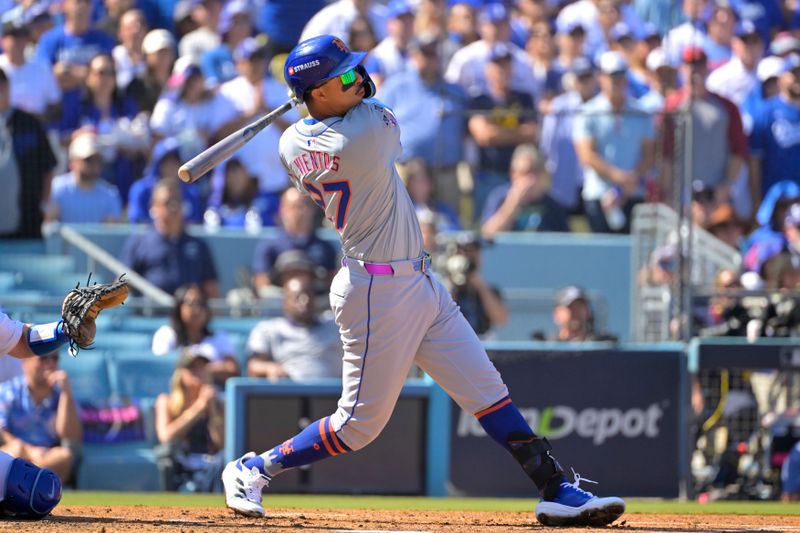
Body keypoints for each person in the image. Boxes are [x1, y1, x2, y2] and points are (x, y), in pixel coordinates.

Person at [221, 34, 625, 527]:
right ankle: (255, 468)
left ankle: (555, 487)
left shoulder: (290, 143)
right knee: (358, 427)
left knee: (486, 390)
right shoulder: (366, 133)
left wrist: (316, 95)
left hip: (417, 279)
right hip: (376, 289)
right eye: (344, 75)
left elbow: (318, 122)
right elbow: (376, 107)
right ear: (319, 94)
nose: (359, 79)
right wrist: (325, 94)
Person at [0, 281, 124, 518]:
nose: (49, 365)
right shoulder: (12, 389)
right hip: (18, 446)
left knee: (40, 490)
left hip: (41, 452)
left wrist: (66, 329)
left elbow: (23, 340)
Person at [573, 51, 655, 234]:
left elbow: (649, 154)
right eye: (612, 76)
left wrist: (628, 182)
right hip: (598, 195)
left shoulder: (641, 112)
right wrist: (619, 178)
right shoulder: (588, 111)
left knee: (633, 256)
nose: (616, 81)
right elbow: (586, 155)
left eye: (620, 76)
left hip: (633, 194)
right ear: (601, 78)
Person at [121, 178, 220, 298]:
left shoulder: (198, 245)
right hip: (150, 313)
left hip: (188, 314)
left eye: (177, 201)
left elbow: (211, 289)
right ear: (154, 207)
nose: (173, 207)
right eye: (167, 202)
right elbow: (121, 286)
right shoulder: (139, 244)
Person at [0, 351, 82, 484]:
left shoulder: (62, 396)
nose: (50, 364)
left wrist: (66, 393)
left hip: (46, 456)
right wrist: (28, 451)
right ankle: (32, 480)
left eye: (54, 358)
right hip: (16, 452)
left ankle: (22, 481)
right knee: (14, 451)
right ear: (25, 362)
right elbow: (1, 432)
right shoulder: (8, 391)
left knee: (64, 456)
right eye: (43, 358)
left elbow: (71, 436)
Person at [247, 272, 343, 381]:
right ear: (285, 302)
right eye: (297, 297)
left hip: (333, 395)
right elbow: (253, 366)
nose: (304, 301)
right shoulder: (269, 329)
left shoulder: (335, 325)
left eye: (309, 295)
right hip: (289, 395)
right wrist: (270, 368)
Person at [154, 348, 224, 492]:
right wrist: (197, 408)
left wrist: (212, 409)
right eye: (192, 368)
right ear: (180, 373)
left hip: (210, 466)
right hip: (181, 466)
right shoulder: (166, 401)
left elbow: (221, 443)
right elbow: (166, 437)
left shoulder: (218, 403)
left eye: (202, 368)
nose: (198, 372)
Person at [0, 66, 58, 239]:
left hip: (28, 222)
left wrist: (44, 204)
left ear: (8, 86)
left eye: (1, 84)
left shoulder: (30, 123)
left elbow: (47, 166)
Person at [251, 187, 338, 295]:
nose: (301, 212)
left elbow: (332, 284)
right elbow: (262, 285)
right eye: (295, 207)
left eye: (305, 205)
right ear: (283, 210)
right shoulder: (268, 247)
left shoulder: (326, 249)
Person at [151, 284, 239, 386]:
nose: (197, 309)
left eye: (201, 304)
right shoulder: (166, 334)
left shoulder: (219, 337)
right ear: (179, 307)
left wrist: (202, 369)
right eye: (191, 303)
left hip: (212, 395)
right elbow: (160, 369)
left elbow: (232, 369)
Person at [481, 144, 569, 238]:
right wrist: (512, 203)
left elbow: (566, 242)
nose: (530, 179)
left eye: (535, 172)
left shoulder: (554, 206)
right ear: (513, 174)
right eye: (525, 173)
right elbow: (488, 235)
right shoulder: (499, 198)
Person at [44, 131, 123, 224]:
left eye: (98, 160)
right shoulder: (56, 189)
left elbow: (111, 233)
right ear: (73, 162)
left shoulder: (110, 194)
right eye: (88, 160)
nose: (95, 164)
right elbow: (47, 225)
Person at [440, 232, 508, 338]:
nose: (471, 258)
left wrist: (481, 287)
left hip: (481, 343)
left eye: (475, 252)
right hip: (451, 342)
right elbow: (438, 316)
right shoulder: (443, 286)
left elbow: (501, 320)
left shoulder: (488, 289)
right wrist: (451, 283)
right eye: (466, 252)